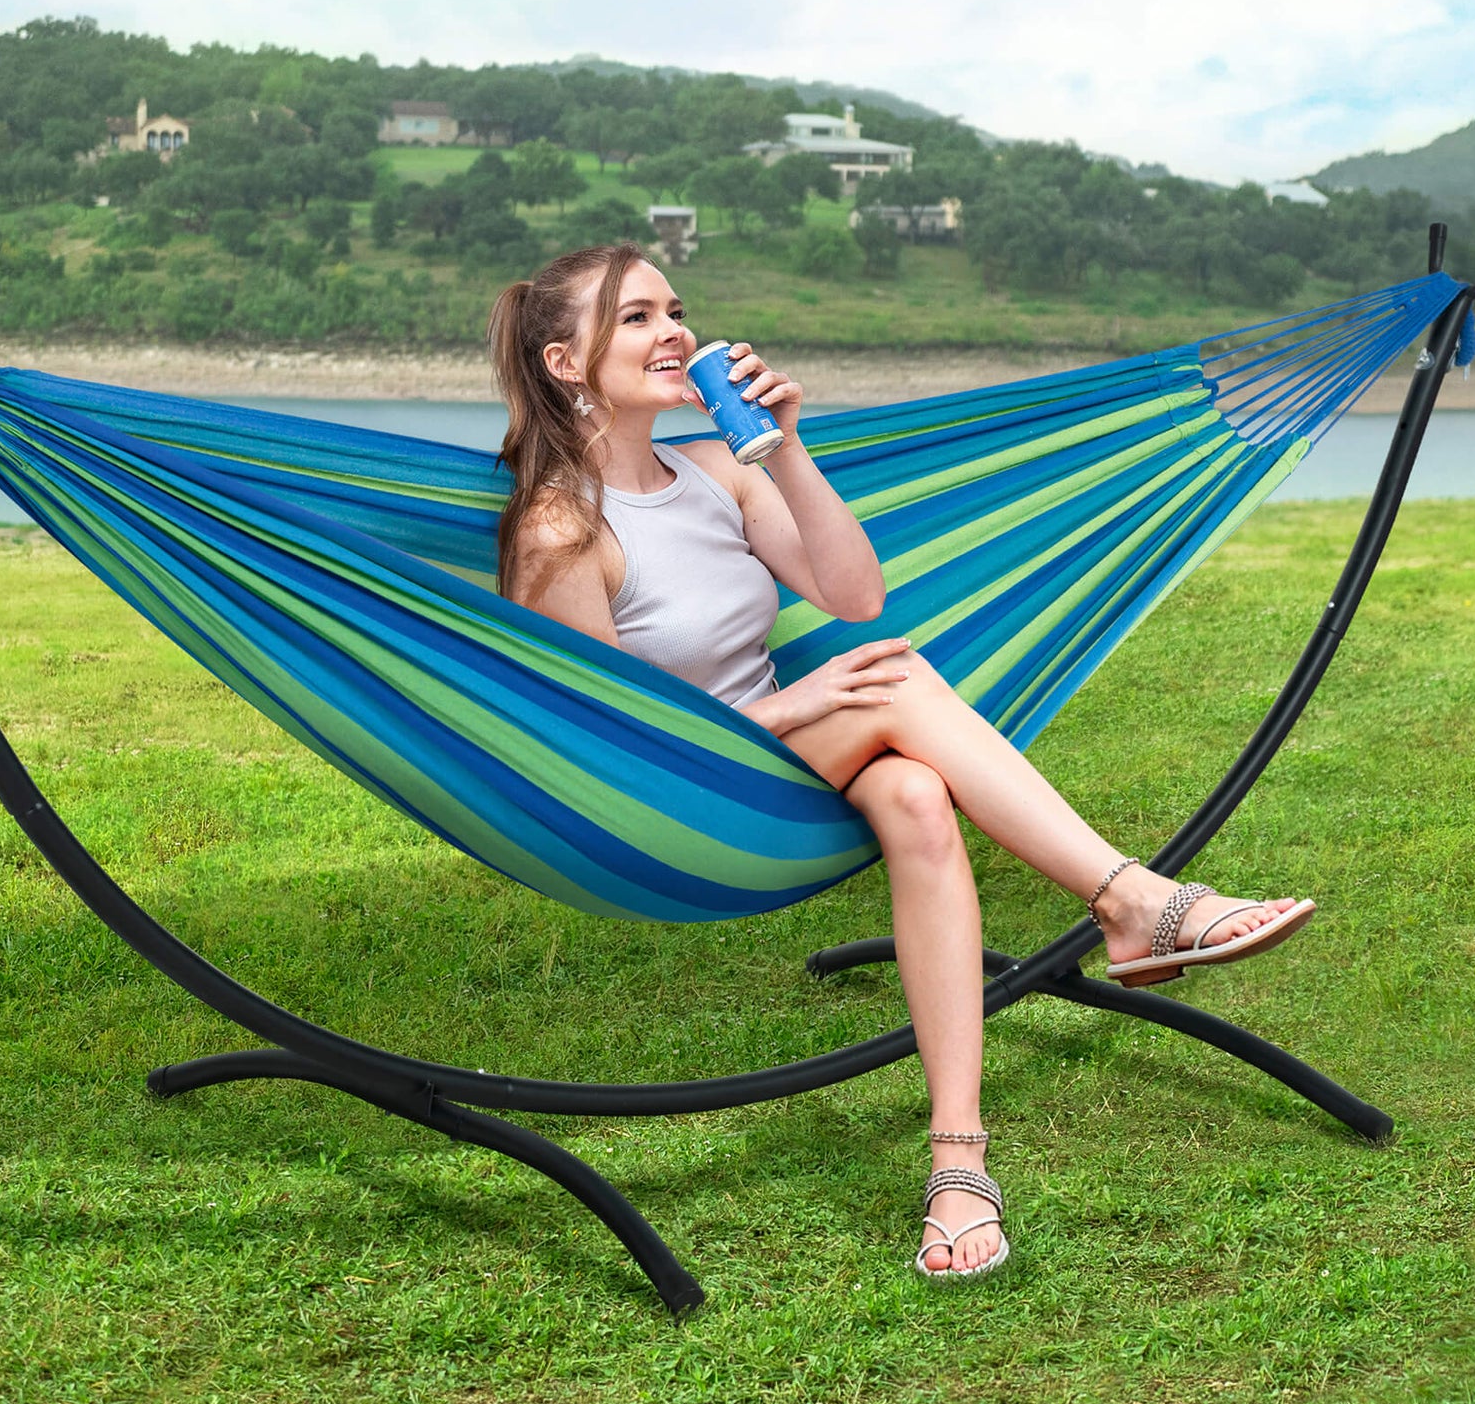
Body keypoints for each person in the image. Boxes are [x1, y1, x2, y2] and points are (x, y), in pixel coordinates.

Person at [489, 243, 1314, 1281]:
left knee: (920, 796)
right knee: (894, 678)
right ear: (565, 363)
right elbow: (611, 741)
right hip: (685, 795)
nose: (675, 332)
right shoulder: (561, 528)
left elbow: (855, 595)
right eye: (637, 317)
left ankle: (958, 1161)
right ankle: (1130, 901)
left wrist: (786, 449)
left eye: (676, 309)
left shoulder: (714, 473)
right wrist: (799, 702)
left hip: (788, 763)